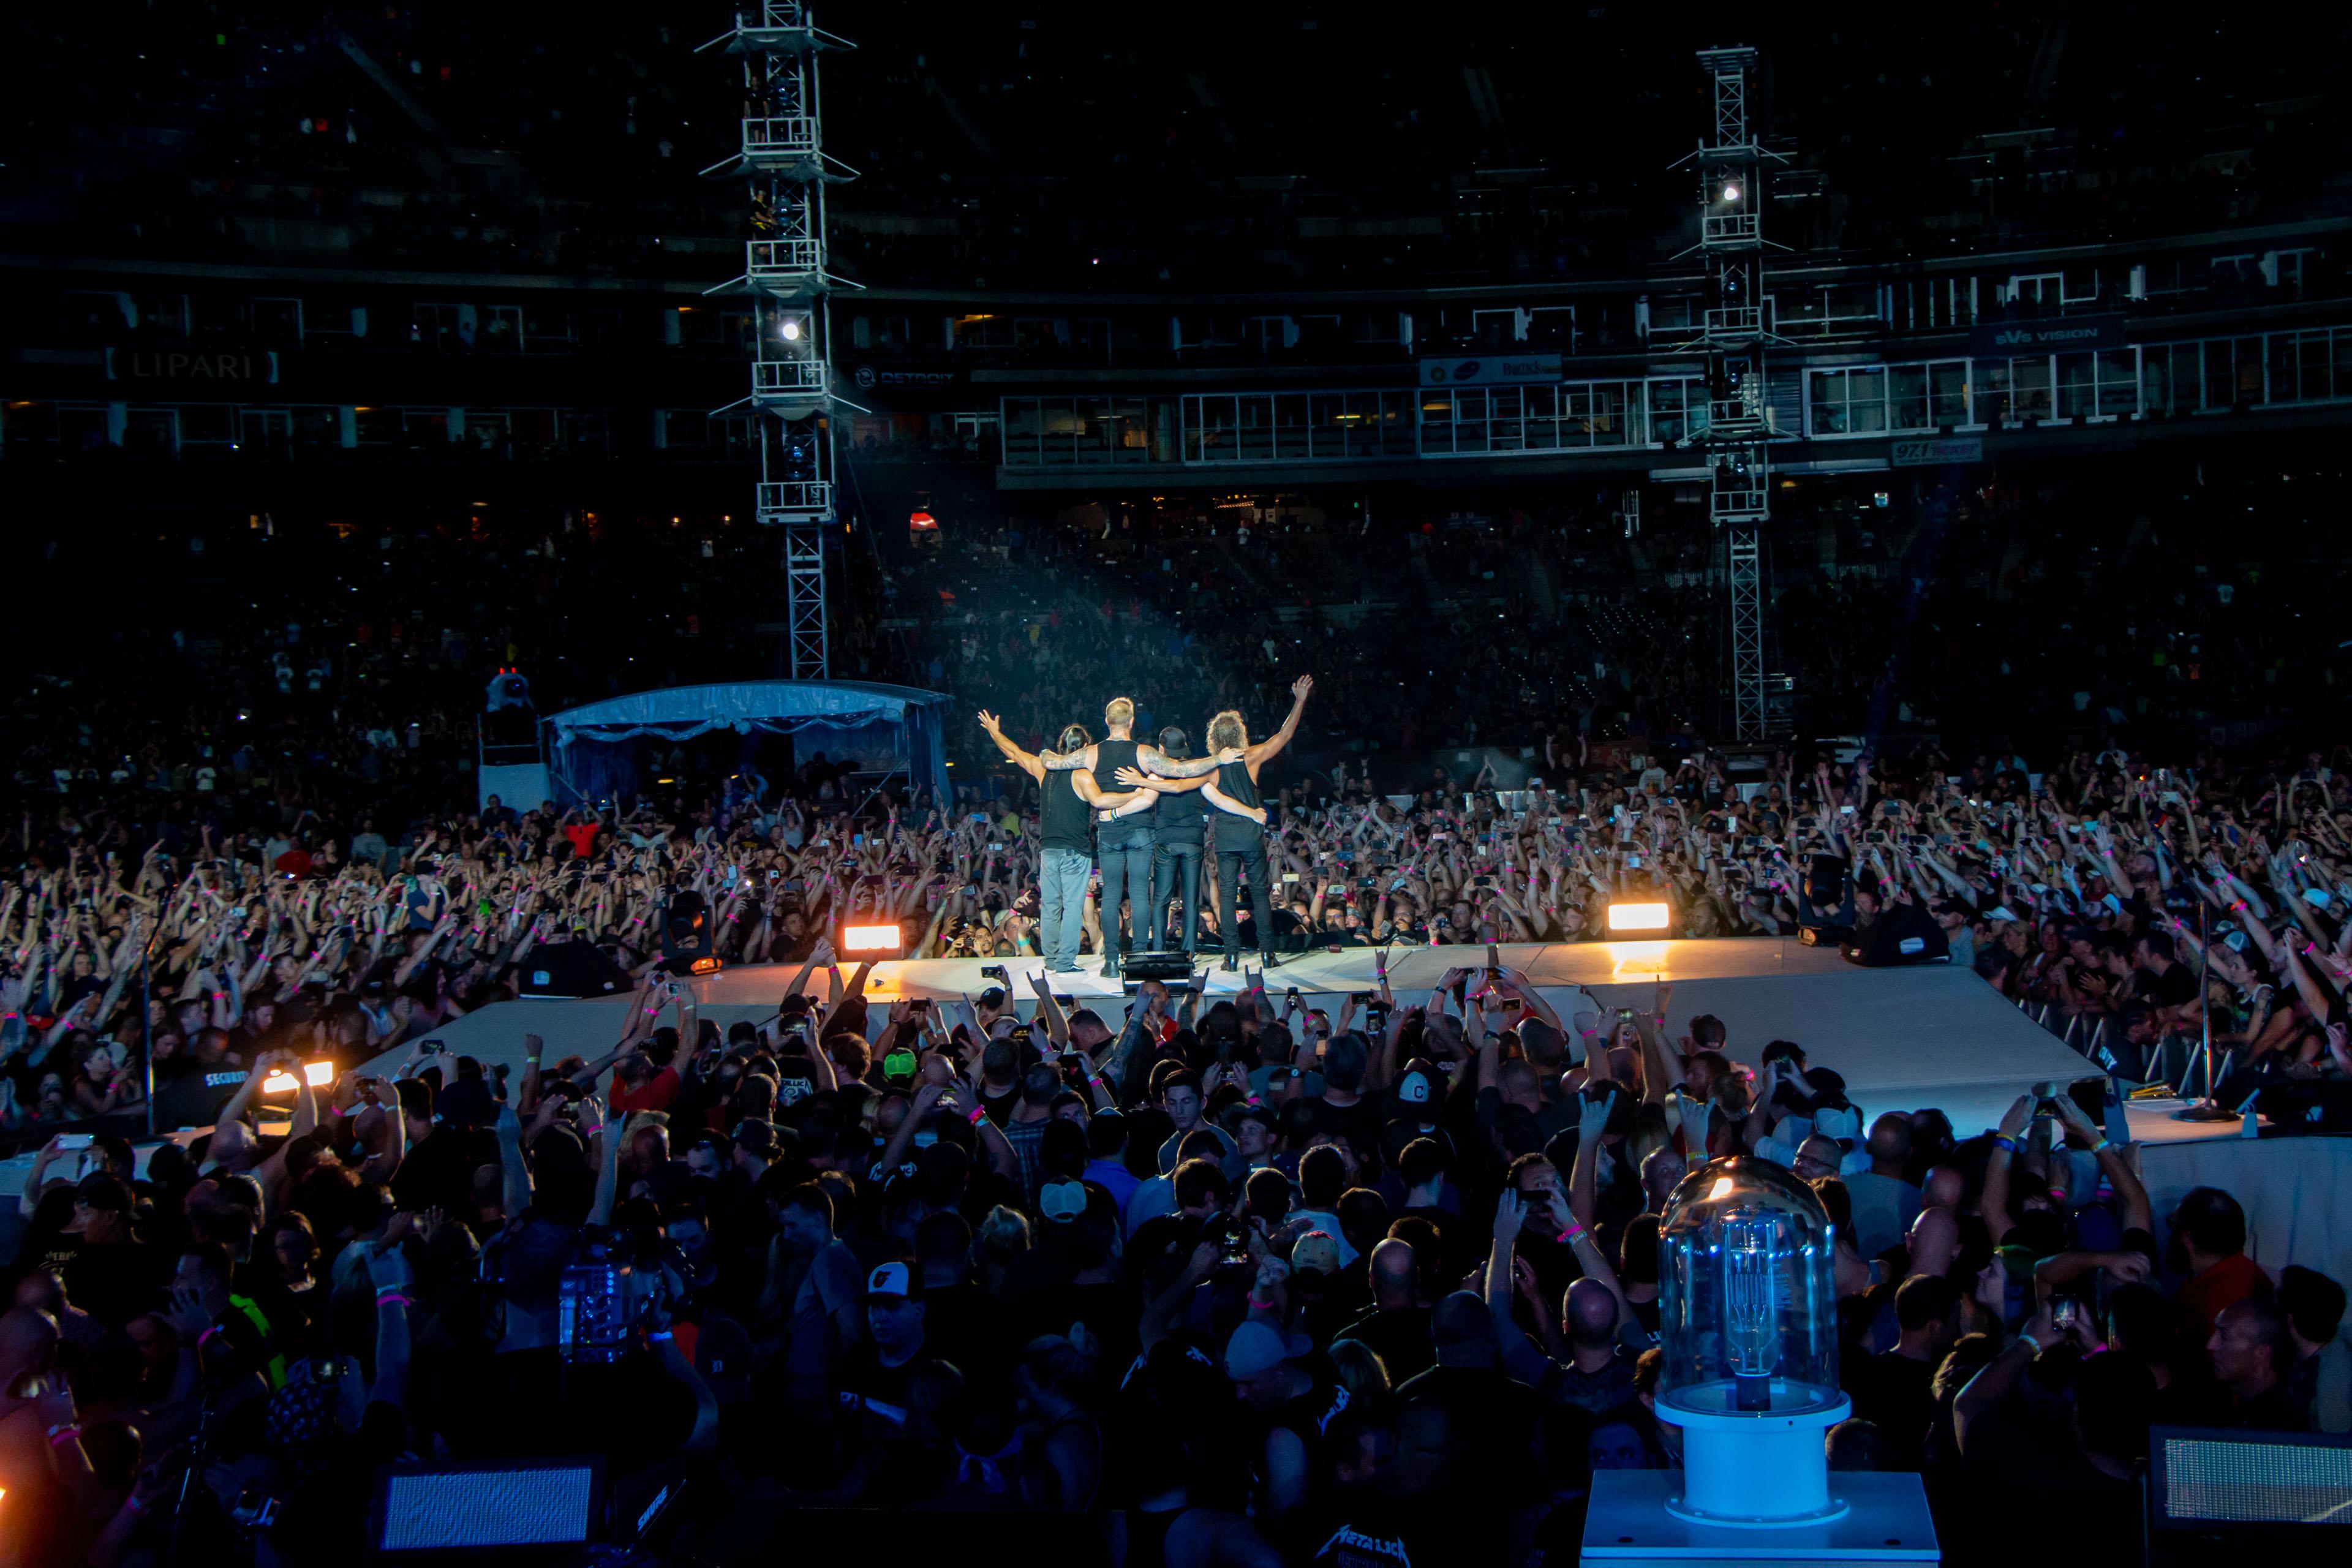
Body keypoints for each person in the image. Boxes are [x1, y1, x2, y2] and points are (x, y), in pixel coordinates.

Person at [976, 710, 1157, 974]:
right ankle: (1064, 963)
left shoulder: (1043, 769)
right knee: (1072, 908)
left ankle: (1051, 959)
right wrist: (1136, 793)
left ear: (1062, 746)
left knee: (1050, 906)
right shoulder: (1081, 774)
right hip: (1075, 851)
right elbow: (1100, 801)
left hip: (1048, 851)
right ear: (1084, 749)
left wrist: (994, 732)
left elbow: (1014, 752)